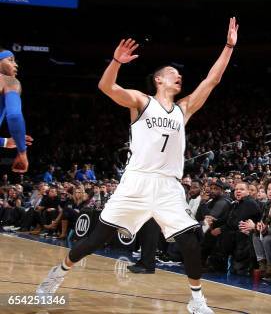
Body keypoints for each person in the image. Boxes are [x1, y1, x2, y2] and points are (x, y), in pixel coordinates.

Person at [36, 18, 239, 314]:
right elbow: (106, 86)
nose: (178, 76)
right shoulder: (141, 102)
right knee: (96, 240)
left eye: (179, 73)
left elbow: (212, 79)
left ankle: (196, 300)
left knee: (190, 240)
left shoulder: (184, 109)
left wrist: (229, 46)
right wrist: (116, 62)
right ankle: (57, 274)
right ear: (159, 80)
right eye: (173, 73)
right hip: (137, 181)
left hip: (169, 185)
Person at [0, 48, 30, 173]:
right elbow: (14, 116)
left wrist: (5, 141)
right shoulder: (8, 81)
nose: (16, 64)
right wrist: (22, 152)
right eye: (10, 60)